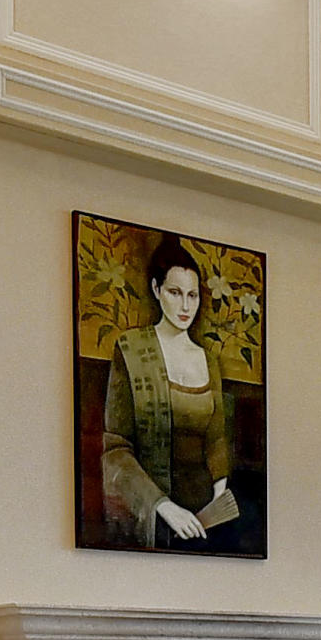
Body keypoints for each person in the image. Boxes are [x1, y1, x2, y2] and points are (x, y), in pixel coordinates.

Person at [99, 235, 242, 548]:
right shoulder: (131, 349)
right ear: (156, 290)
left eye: (193, 295)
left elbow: (216, 438)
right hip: (159, 513)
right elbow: (116, 449)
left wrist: (218, 502)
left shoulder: (208, 359)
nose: (186, 306)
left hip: (207, 516)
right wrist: (163, 506)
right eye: (175, 293)